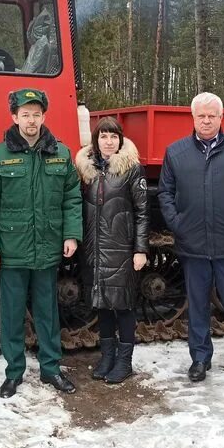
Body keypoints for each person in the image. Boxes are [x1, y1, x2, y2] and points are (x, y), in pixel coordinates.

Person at [0, 88, 82, 398]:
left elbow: (72, 198)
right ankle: (14, 372)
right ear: (14, 117)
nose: (31, 120)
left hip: (47, 248)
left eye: (36, 114)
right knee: (11, 313)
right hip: (11, 250)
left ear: (43, 116)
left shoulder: (60, 154)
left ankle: (51, 369)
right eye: (25, 114)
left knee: (48, 311)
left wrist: (70, 234)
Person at [157, 92, 224, 385]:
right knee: (197, 304)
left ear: (221, 118)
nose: (206, 120)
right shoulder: (176, 152)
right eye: (201, 115)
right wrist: (177, 223)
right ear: (192, 118)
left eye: (211, 115)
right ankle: (200, 358)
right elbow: (165, 192)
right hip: (193, 246)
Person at [76, 116, 149, 384]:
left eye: (113, 136)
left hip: (121, 248)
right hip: (95, 250)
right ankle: (107, 356)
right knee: (102, 305)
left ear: (120, 140)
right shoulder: (86, 171)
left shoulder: (132, 169)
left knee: (124, 306)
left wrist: (140, 249)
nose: (109, 141)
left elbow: (142, 212)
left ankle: (124, 361)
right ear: (96, 141)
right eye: (104, 136)